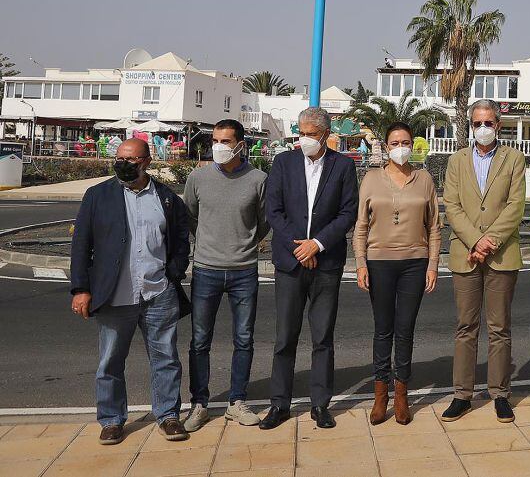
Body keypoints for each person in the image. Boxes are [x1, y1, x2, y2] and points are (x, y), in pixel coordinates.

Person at [70, 138, 192, 445]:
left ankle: (168, 415)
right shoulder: (98, 195)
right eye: (120, 159)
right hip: (114, 295)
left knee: (165, 358)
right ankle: (111, 420)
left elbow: (179, 240)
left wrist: (173, 272)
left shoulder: (165, 198)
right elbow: (81, 245)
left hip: (157, 292)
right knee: (110, 361)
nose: (123, 165)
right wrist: (81, 289)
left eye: (131, 160)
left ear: (147, 162)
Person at [260, 107, 359, 431]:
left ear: (325, 134)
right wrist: (299, 247)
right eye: (300, 133)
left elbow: (347, 213)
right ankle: (279, 404)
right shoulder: (283, 163)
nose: (304, 140)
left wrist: (316, 244)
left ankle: (320, 405)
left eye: (311, 134)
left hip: (326, 263)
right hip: (290, 263)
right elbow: (273, 210)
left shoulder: (343, 166)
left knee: (322, 337)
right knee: (285, 337)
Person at [440, 99, 526, 424]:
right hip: (466, 253)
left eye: (488, 122)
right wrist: (475, 241)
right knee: (465, 326)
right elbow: (452, 205)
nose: (483, 128)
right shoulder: (456, 161)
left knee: (499, 327)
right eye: (477, 123)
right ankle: (462, 394)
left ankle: (499, 393)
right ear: (470, 125)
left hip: (501, 254)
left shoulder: (514, 159)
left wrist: (490, 241)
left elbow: (515, 206)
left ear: (498, 125)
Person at [182, 119, 269, 432]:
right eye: (215, 140)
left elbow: (264, 221)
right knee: (199, 341)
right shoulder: (197, 177)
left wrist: (244, 242)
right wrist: (206, 242)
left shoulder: (258, 179)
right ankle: (199, 404)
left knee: (244, 339)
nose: (219, 146)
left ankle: (237, 402)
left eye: (226, 141)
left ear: (241, 144)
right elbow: (190, 216)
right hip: (206, 269)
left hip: (244, 270)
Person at [354, 122, 440, 425]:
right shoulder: (371, 179)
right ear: (386, 147)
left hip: (414, 264)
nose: (400, 147)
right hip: (379, 263)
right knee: (383, 330)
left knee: (405, 330)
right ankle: (381, 396)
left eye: (405, 142)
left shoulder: (424, 179)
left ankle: (402, 394)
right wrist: (361, 263)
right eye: (394, 142)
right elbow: (361, 226)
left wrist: (432, 265)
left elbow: (434, 227)